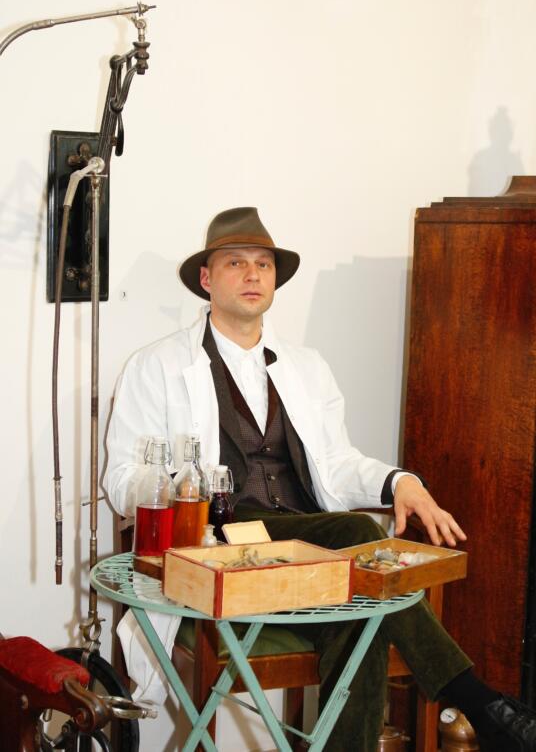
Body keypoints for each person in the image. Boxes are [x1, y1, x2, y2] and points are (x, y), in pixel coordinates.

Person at [105, 207, 536, 752]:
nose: (253, 274)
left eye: (264, 264)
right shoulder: (156, 366)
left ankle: (475, 707)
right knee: (358, 539)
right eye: (236, 263)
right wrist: (176, 486)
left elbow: (337, 462)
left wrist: (401, 482)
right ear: (207, 279)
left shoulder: (306, 367)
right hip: (223, 554)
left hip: (306, 562)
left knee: (360, 621)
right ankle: (479, 702)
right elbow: (121, 479)